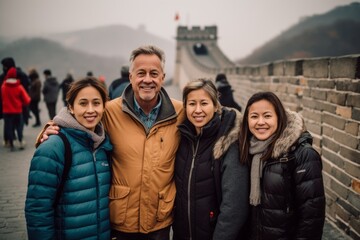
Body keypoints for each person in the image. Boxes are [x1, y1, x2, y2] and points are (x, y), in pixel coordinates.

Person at [37, 45, 185, 240]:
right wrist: (50, 128)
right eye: (141, 73)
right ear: (131, 77)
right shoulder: (110, 111)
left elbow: (209, 116)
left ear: (162, 78)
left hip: (160, 221)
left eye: (153, 73)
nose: (147, 79)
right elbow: (79, 118)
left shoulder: (180, 112)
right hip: (121, 222)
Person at [25, 77, 113, 239]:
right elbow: (38, 209)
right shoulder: (53, 147)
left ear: (104, 106)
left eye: (96, 103)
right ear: (71, 107)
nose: (90, 110)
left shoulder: (104, 144)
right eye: (83, 103)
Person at [238, 91, 325, 239]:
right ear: (247, 120)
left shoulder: (300, 154)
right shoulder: (245, 150)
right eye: (254, 116)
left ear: (279, 117)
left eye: (267, 116)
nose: (260, 122)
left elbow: (312, 216)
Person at [173, 79, 249, 240]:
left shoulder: (228, 142)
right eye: (192, 104)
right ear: (185, 107)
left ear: (215, 106)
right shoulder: (182, 139)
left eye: (204, 103)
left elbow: (234, 208)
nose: (198, 110)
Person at [0, 57, 31, 146]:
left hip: (7, 109)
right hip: (18, 108)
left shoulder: (3, 85)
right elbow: (26, 95)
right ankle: (19, 140)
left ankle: (10, 141)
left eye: (4, 66)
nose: (3, 68)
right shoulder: (19, 83)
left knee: (8, 125)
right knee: (19, 125)